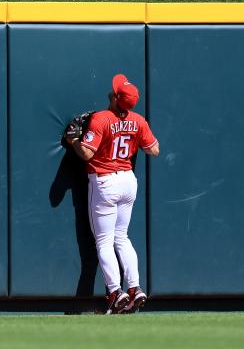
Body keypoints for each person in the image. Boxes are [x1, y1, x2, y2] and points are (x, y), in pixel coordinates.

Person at [65, 73, 159, 314]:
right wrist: (131, 136)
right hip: (128, 181)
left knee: (105, 241)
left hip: (105, 181)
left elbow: (86, 154)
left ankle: (115, 292)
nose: (112, 91)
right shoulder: (138, 120)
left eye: (116, 91)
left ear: (117, 99)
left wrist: (73, 139)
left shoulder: (101, 119)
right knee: (122, 238)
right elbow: (154, 150)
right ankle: (135, 288)